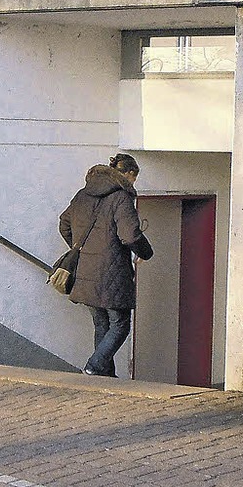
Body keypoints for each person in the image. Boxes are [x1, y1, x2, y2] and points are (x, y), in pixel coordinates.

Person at [59, 153, 153, 377]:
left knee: (101, 323)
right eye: (134, 178)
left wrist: (83, 248)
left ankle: (104, 377)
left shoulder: (83, 194)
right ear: (128, 174)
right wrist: (146, 253)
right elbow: (130, 235)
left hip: (86, 272)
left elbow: (64, 224)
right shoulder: (121, 197)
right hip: (112, 273)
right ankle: (93, 367)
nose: (133, 184)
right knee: (121, 324)